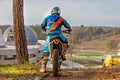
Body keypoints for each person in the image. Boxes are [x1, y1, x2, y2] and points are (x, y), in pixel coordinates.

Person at [40, 6, 72, 72]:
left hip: (50, 36)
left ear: (52, 12)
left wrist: (44, 29)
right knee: (65, 41)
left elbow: (42, 25)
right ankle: (63, 53)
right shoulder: (61, 19)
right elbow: (68, 26)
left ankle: (43, 67)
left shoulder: (47, 18)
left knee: (46, 51)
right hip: (58, 35)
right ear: (59, 12)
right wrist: (68, 30)